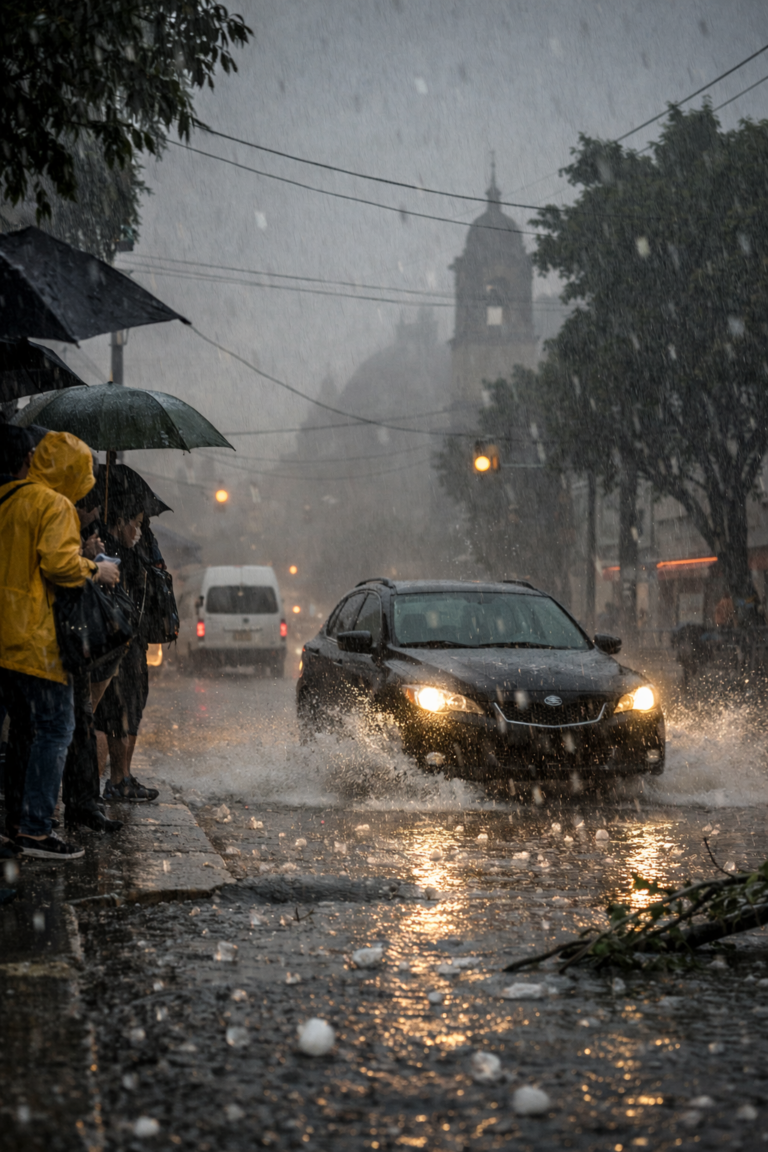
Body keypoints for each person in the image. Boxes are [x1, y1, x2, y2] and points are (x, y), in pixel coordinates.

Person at [0, 431, 120, 859]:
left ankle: (15, 823)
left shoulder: (8, 499)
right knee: (56, 731)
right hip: (39, 642)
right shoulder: (53, 504)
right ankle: (34, 829)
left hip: (7, 640)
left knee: (22, 736)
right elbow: (58, 567)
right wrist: (95, 569)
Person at [95, 491, 159, 803]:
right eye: (135, 524)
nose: (138, 531)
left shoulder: (132, 550)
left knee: (123, 714)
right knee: (110, 716)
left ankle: (118, 780)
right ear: (120, 521)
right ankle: (97, 788)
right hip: (116, 645)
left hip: (126, 645)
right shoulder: (109, 552)